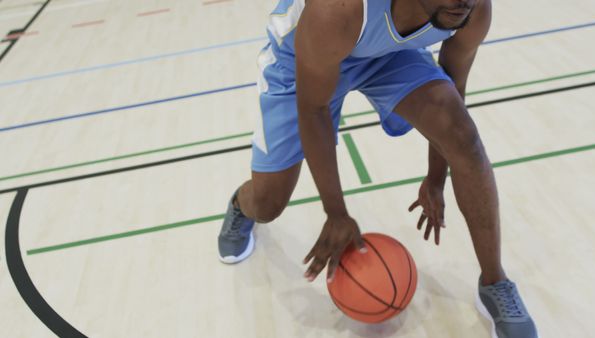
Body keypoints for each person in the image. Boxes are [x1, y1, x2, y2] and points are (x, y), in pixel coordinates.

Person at [218, 0, 538, 336]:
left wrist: (435, 178)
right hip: (303, 56)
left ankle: (494, 282)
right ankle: (242, 204)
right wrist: (336, 213)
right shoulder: (338, 8)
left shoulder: (470, 9)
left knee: (465, 140)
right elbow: (314, 109)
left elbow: (453, 90)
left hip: (389, 54)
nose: (463, 2)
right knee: (268, 203)